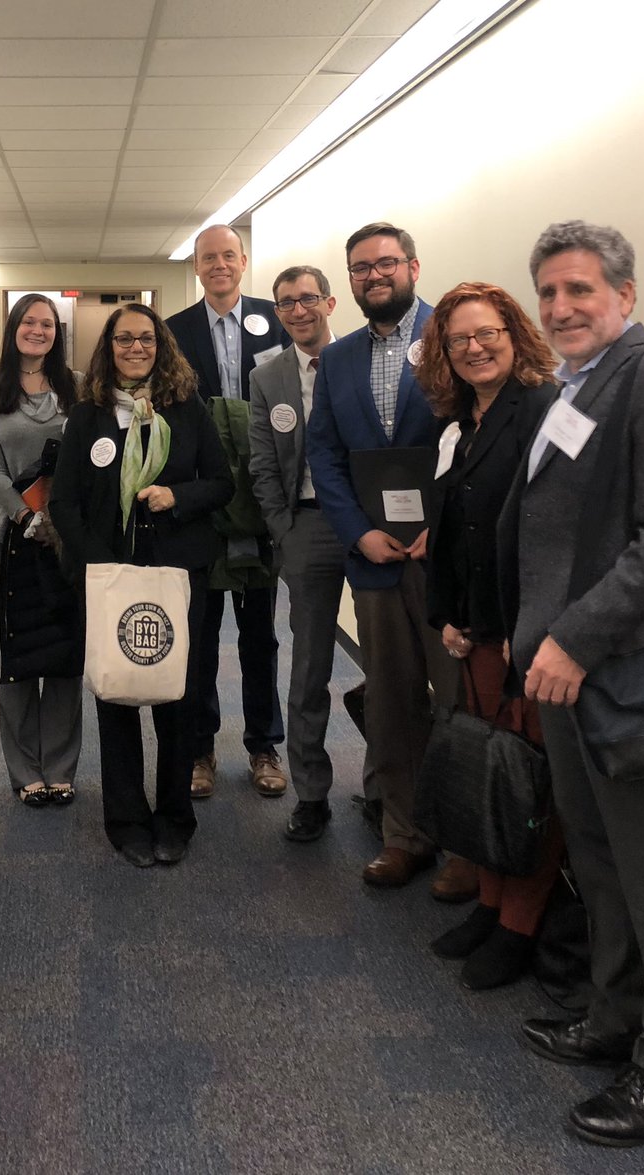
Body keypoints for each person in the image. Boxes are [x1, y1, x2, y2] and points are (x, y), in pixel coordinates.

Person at [500, 221, 644, 1146]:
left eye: (579, 290)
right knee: (595, 855)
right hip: (560, 675)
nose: (560, 308)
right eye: (548, 292)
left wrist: (575, 640)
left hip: (611, 667)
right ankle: (614, 1014)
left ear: (624, 294)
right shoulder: (571, 385)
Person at [305, 221, 474, 900]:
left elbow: (481, 437)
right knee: (393, 700)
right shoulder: (339, 358)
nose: (374, 275)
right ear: (349, 281)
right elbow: (326, 453)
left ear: (412, 265)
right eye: (360, 268)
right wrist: (355, 532)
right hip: (373, 557)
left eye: (385, 264)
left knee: (458, 702)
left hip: (446, 559)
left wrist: (447, 524)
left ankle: (466, 843)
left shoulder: (456, 334)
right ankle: (404, 834)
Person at [416, 281, 563, 989]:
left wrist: (526, 624)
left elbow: (556, 528)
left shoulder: (545, 410)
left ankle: (518, 928)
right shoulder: (457, 422)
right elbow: (448, 530)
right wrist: (446, 614)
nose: (475, 348)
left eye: (487, 333)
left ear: (515, 334)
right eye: (459, 339)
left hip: (523, 637)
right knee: (487, 774)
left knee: (525, 786)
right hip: (473, 630)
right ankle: (490, 903)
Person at [50, 304, 232, 867]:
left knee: (176, 695)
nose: (136, 347)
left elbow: (222, 483)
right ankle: (126, 819)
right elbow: (65, 503)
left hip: (179, 574)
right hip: (110, 576)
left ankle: (176, 817)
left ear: (161, 345)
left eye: (146, 339)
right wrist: (105, 570)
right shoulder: (88, 415)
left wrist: (178, 497)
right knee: (117, 696)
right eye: (124, 339)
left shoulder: (188, 407)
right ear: (109, 347)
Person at [167, 225, 290, 800]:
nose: (219, 265)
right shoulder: (176, 332)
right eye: (208, 258)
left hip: (264, 500)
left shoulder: (280, 318)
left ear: (244, 261)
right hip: (204, 502)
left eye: (227, 256)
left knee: (259, 633)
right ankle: (200, 748)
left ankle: (264, 744)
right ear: (197, 267)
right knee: (200, 632)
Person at [248, 265, 346, 843]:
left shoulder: (357, 360)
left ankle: (387, 790)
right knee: (309, 665)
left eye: (308, 299)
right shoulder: (269, 376)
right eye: (286, 303)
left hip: (373, 527)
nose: (298, 310)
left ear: (330, 303)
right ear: (278, 312)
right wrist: (282, 530)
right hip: (306, 525)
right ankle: (312, 793)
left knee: (389, 659)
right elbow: (262, 462)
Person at [0, 294, 83, 806]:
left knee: (66, 650)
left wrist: (60, 523)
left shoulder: (78, 386)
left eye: (47, 324)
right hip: (12, 535)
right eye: (29, 322)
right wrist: (28, 517)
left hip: (68, 538)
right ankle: (25, 770)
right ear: (13, 328)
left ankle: (62, 765)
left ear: (56, 332)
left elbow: (90, 460)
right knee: (20, 649)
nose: (37, 331)